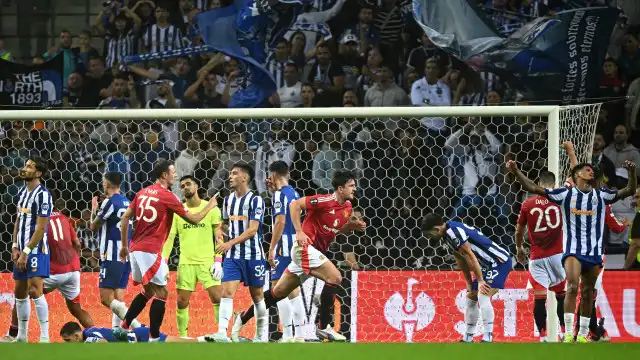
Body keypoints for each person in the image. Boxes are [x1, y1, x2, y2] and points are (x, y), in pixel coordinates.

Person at [507, 159, 637, 343]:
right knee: (573, 286)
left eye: (592, 170)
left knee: (588, 293)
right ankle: (568, 333)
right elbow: (534, 188)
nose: (591, 171)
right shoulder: (565, 194)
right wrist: (516, 170)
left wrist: (632, 173)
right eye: (587, 169)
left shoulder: (601, 195)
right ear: (577, 175)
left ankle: (582, 334)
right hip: (572, 252)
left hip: (593, 252)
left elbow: (629, 191)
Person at [232, 169, 366, 342]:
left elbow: (334, 228)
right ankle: (324, 326)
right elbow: (294, 206)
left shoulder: (347, 208)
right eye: (351, 186)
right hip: (304, 248)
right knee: (335, 277)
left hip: (312, 253)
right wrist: (299, 232)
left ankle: (242, 317)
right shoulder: (323, 200)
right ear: (340, 189)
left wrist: (351, 228)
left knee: (277, 293)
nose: (354, 189)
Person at [118, 160, 217, 342]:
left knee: (148, 291)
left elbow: (125, 218)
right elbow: (194, 219)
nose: (176, 175)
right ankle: (154, 337)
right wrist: (210, 205)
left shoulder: (142, 193)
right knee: (162, 294)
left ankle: (124, 326)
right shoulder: (167, 196)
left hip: (134, 249)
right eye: (173, 172)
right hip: (150, 250)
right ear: (164, 175)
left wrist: (124, 246)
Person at [231, 161, 306, 342]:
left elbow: (280, 222)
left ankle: (289, 335)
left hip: (283, 249)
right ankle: (300, 335)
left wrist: (271, 249)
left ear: (273, 176)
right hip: (295, 247)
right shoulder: (294, 193)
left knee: (278, 290)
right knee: (291, 290)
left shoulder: (279, 195)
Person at [1, 197, 95, 342]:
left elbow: (38, 248)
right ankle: (95, 335)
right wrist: (74, 262)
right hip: (73, 270)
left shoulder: (38, 222)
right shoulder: (64, 217)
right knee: (76, 308)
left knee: (23, 292)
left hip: (53, 271)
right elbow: (76, 243)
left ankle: (13, 333)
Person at [421, 213, 512, 343]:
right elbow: (460, 258)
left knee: (483, 294)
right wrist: (469, 282)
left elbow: (470, 255)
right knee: (470, 298)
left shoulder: (454, 232)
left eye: (430, 234)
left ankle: (488, 337)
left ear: (437, 229)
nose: (430, 237)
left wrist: (480, 281)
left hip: (498, 261)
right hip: (486, 266)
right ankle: (468, 338)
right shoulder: (447, 235)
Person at [207, 163, 268, 343]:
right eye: (229, 174)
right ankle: (221, 333)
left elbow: (252, 230)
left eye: (234, 173)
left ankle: (259, 336)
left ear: (245, 178)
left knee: (257, 296)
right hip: (233, 256)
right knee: (227, 292)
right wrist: (219, 230)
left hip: (254, 256)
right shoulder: (228, 200)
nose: (230, 177)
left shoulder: (256, 200)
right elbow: (225, 223)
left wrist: (228, 244)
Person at [162, 175, 223, 338]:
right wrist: (163, 262)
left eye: (188, 184)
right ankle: (183, 337)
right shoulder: (178, 212)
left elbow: (219, 236)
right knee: (182, 301)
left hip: (207, 262)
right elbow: (169, 239)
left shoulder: (212, 209)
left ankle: (222, 334)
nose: (185, 187)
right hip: (186, 264)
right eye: (182, 186)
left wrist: (218, 261)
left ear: (196, 186)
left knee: (218, 298)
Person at [515, 171, 566, 342]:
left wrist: (519, 247)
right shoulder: (560, 199)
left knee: (539, 298)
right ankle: (564, 333)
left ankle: (543, 337)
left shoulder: (527, 204)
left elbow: (519, 230)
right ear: (553, 185)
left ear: (538, 183)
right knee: (562, 296)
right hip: (558, 256)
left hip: (536, 258)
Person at [90, 172, 142, 330]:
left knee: (106, 298)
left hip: (112, 254)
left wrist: (94, 209)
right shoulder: (128, 202)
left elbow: (93, 226)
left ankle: (137, 326)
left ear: (106, 183)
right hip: (126, 255)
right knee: (119, 297)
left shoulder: (109, 202)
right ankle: (118, 332)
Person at [11, 157, 53, 342]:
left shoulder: (43, 195)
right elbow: (18, 221)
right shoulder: (22, 192)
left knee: (35, 291)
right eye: (25, 165)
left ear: (38, 173)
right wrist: (14, 246)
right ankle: (22, 335)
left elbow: (41, 228)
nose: (24, 169)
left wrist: (26, 252)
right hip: (20, 251)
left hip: (36, 251)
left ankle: (44, 337)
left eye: (29, 167)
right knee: (19, 292)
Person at [59, 321, 212, 343]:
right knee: (175, 342)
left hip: (140, 337)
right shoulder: (89, 330)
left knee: (178, 343)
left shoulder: (89, 339)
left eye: (68, 341)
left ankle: (208, 339)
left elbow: (104, 343)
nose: (67, 344)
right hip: (138, 334)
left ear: (77, 336)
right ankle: (204, 339)